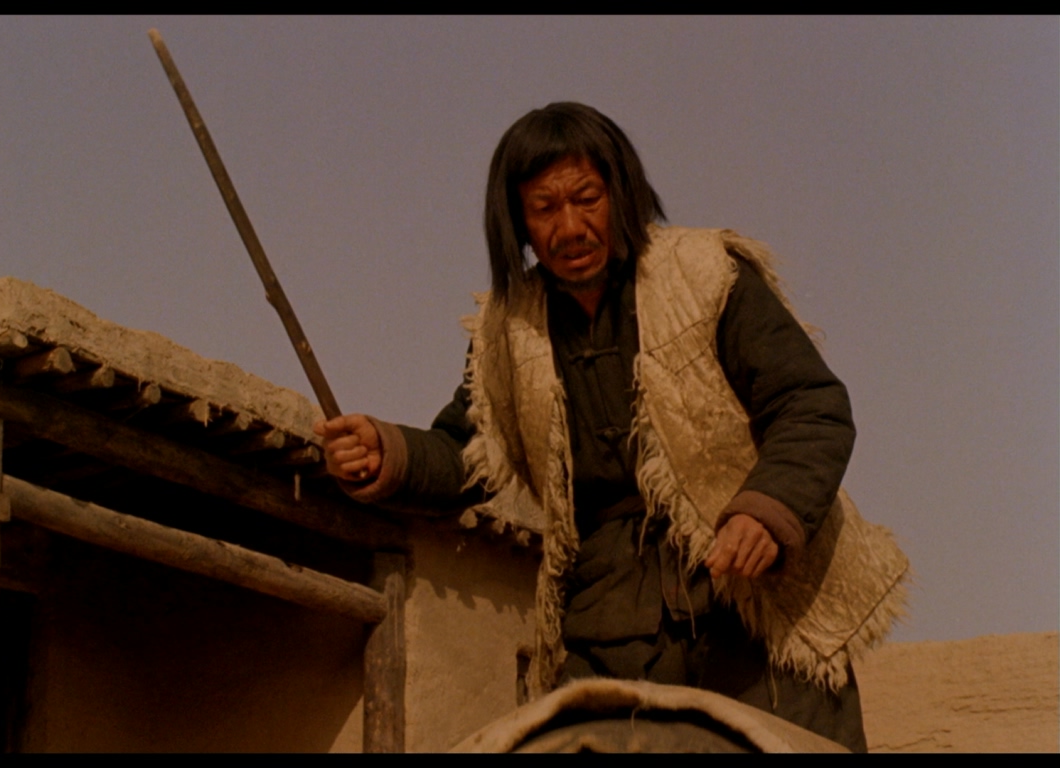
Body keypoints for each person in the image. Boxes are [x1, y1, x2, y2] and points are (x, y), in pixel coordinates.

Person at [314, 102, 908, 752]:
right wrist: (387, 452)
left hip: (752, 609)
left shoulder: (705, 273)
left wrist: (767, 512)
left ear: (620, 193)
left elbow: (809, 404)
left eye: (586, 199)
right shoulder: (508, 327)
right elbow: (469, 453)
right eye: (545, 208)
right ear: (517, 220)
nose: (570, 227)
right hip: (610, 622)